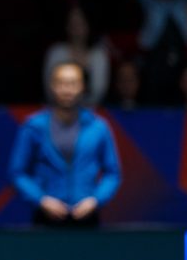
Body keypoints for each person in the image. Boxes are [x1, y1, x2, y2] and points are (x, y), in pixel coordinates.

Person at [8, 61, 122, 228]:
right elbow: (18, 172)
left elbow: (113, 173)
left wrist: (95, 200)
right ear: (52, 86)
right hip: (46, 218)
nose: (67, 89)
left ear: (83, 87)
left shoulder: (98, 127)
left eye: (73, 83)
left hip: (87, 217)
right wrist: (41, 199)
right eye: (61, 83)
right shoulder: (34, 126)